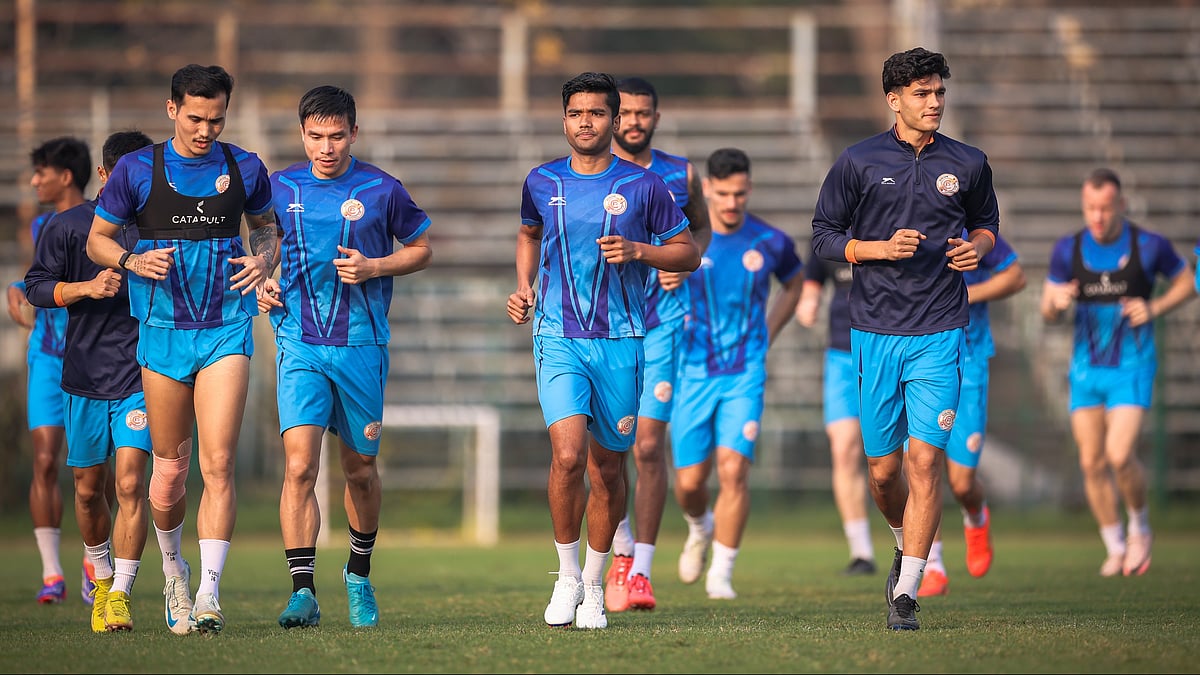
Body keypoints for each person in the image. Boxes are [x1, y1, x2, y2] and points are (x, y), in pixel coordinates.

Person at [810, 47, 1001, 631]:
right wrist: (878, 249)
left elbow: (987, 225)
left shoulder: (969, 162)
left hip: (941, 330)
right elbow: (823, 237)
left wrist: (977, 248)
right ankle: (903, 542)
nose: (934, 102)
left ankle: (907, 593)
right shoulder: (857, 161)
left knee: (925, 461)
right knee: (882, 474)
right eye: (922, 93)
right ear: (893, 100)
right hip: (873, 332)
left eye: (939, 91)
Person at [86, 64, 277, 635]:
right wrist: (132, 259)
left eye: (216, 120)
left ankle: (211, 594)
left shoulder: (245, 167)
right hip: (162, 331)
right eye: (195, 118)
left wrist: (264, 259)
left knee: (219, 464)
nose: (205, 130)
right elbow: (98, 240)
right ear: (172, 109)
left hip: (226, 328)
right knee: (169, 474)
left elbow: (267, 229)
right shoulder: (136, 170)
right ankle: (175, 572)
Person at [508, 71, 700, 630]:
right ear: (563, 119)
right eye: (576, 113)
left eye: (596, 113)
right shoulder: (541, 180)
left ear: (614, 120)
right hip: (557, 336)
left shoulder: (644, 185)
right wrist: (523, 287)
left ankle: (596, 585)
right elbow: (528, 233)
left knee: (608, 468)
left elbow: (687, 253)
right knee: (568, 457)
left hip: (621, 340)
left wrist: (640, 250)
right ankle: (567, 577)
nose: (585, 122)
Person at [256, 85, 432, 630]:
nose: (326, 147)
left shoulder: (382, 189)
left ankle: (358, 575)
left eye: (336, 136)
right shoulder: (279, 186)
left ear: (354, 132)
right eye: (315, 136)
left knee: (360, 470)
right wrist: (265, 280)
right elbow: (265, 245)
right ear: (302, 134)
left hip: (361, 345)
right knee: (299, 466)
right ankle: (302, 592)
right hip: (299, 342)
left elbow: (422, 249)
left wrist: (375, 266)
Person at [25, 130, 155, 632]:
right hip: (82, 377)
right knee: (87, 490)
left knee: (130, 483)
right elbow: (36, 287)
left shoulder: (158, 228)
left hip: (140, 376)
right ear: (104, 175)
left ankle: (120, 592)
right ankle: (100, 579)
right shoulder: (68, 226)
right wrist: (87, 287)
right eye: (123, 175)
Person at [1040, 168, 1193, 578]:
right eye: (1090, 207)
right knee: (1092, 462)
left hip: (1132, 366)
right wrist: (1056, 304)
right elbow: (1047, 309)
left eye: (1106, 208)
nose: (1098, 216)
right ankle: (1115, 545)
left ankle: (1140, 527)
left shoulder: (1149, 245)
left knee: (1119, 455)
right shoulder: (1068, 249)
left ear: (1121, 205)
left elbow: (1187, 281)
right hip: (1086, 372)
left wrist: (1154, 307)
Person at [672, 148, 804, 601]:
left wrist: (769, 331)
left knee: (734, 471)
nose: (732, 202)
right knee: (689, 483)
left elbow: (795, 283)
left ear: (750, 189)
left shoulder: (769, 240)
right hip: (691, 371)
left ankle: (721, 573)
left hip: (744, 372)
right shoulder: (685, 240)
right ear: (707, 189)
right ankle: (699, 527)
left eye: (740, 194)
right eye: (724, 193)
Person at [604, 75, 712, 612]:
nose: (633, 121)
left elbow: (701, 232)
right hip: (607, 324)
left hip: (664, 324)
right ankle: (620, 549)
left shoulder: (681, 173)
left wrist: (683, 263)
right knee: (609, 448)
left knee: (647, 445)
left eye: (642, 113)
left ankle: (641, 571)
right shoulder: (592, 175)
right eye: (624, 112)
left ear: (656, 118)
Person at [918, 233, 1026, 597]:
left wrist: (967, 294)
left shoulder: (972, 234)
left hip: (969, 361)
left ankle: (976, 516)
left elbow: (1016, 277)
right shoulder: (907, 227)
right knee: (923, 467)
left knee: (962, 483)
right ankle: (932, 566)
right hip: (923, 363)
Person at [7, 137, 88, 605]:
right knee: (44, 460)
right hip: (46, 356)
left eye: (42, 172)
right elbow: (36, 278)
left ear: (66, 176)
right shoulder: (41, 225)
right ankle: (52, 573)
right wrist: (15, 289)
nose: (35, 180)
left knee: (98, 468)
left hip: (93, 357)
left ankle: (95, 561)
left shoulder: (103, 221)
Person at [794, 244, 876, 576]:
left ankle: (911, 546)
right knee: (844, 451)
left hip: (886, 351)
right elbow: (812, 283)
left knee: (899, 459)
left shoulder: (894, 225)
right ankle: (861, 552)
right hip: (842, 357)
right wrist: (808, 303)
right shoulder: (830, 238)